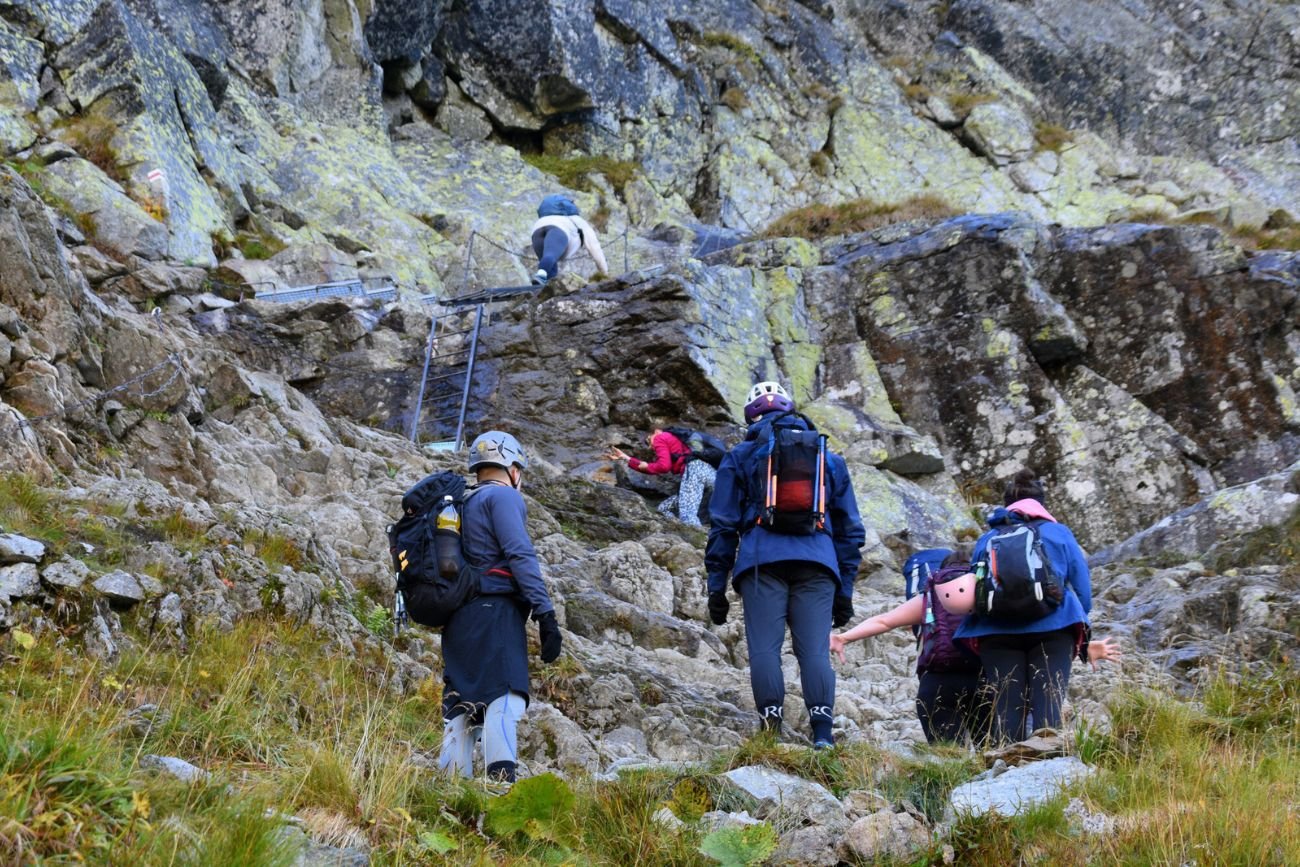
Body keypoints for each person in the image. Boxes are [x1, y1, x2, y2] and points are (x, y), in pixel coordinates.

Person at [705, 381, 866, 748]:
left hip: (762, 562)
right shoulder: (828, 458)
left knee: (765, 649)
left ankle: (771, 732)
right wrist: (845, 591)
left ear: (751, 418)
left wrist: (716, 585)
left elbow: (723, 525)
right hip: (818, 564)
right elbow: (851, 532)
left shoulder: (741, 455)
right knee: (814, 651)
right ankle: (822, 734)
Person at [831, 549, 1122, 744]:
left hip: (937, 685)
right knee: (992, 758)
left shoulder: (931, 597)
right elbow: (1027, 634)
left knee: (947, 759)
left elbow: (883, 621)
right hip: (986, 684)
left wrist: (844, 637)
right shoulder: (989, 599)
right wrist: (1084, 647)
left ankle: (943, 812)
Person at [437, 431, 562, 785]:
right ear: (512, 468)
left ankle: (449, 793)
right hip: (496, 613)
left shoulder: (458, 505)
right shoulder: (503, 497)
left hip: (459, 619)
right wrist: (545, 613)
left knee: (460, 706)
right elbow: (519, 554)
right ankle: (502, 790)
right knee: (505, 698)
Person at [953, 468, 1093, 743]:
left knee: (1007, 709)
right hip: (1055, 628)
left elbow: (975, 586)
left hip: (995, 632)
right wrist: (1077, 620)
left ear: (1007, 504)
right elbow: (1083, 591)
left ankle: (1007, 763)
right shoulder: (1058, 533)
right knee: (1049, 707)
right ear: (1041, 504)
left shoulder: (987, 539)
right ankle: (1049, 764)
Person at [606, 427, 716, 528]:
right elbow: (652, 465)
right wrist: (626, 458)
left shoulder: (660, 437)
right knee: (664, 509)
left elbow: (664, 466)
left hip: (694, 470)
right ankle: (681, 531)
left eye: (648, 440)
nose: (651, 447)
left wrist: (648, 466)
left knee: (688, 515)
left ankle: (701, 540)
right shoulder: (679, 441)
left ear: (656, 431)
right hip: (712, 473)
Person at [529, 196, 608, 285]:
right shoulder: (578, 220)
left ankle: (546, 285)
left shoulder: (544, 219)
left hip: (537, 229)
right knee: (550, 256)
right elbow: (594, 248)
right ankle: (541, 275)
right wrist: (604, 273)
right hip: (558, 229)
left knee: (549, 264)